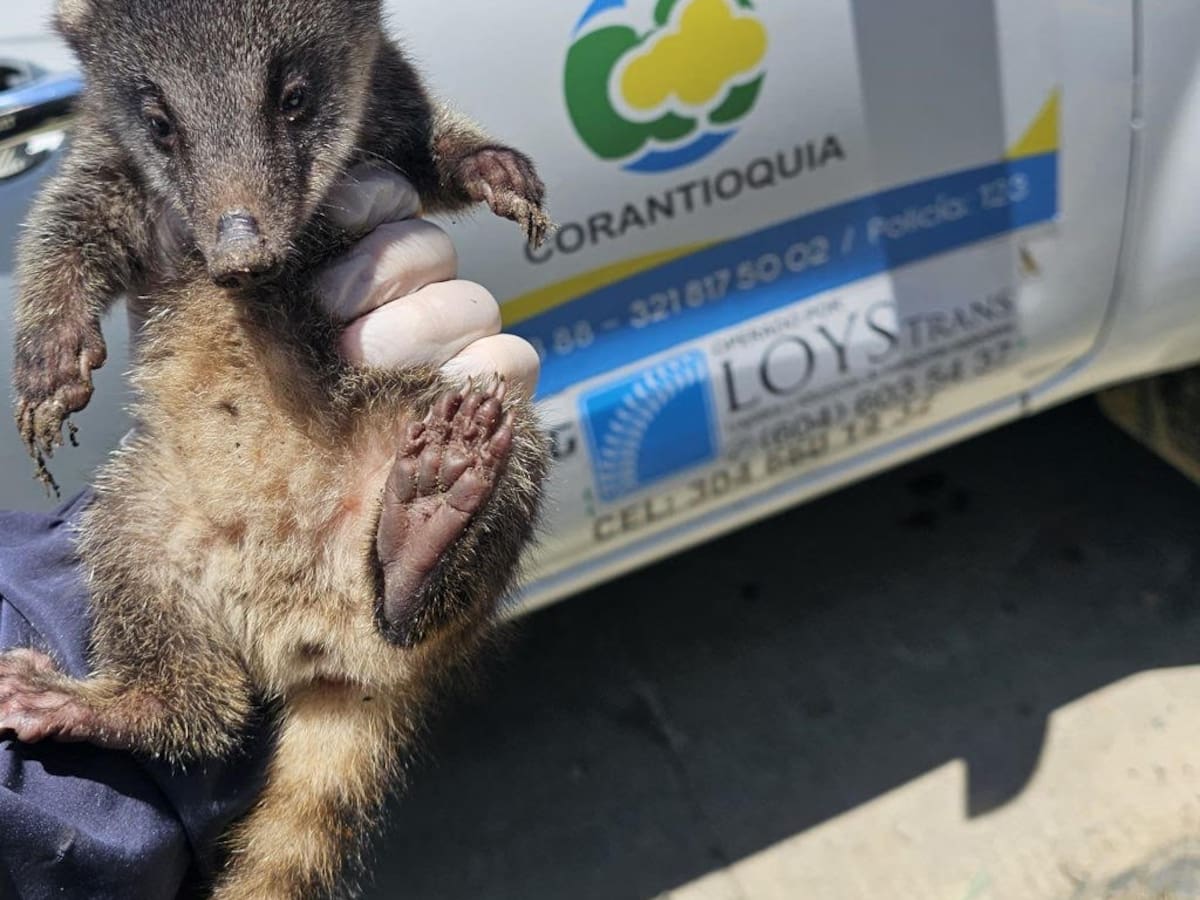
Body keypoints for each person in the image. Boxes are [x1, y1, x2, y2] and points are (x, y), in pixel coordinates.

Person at [0, 168, 539, 899]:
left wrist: (471, 162)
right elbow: (83, 212)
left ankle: (408, 579)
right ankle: (395, 587)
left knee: (478, 422)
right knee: (149, 504)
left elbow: (420, 135)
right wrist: (56, 323)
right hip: (250, 503)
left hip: (312, 463)